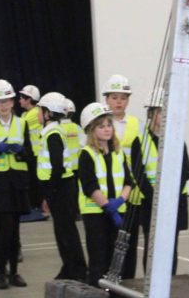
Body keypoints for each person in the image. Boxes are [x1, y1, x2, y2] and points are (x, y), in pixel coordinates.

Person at [0, 79, 32, 289]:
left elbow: (30, 154)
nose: (3, 105)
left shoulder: (22, 123)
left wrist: (21, 152)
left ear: (12, 101)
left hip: (16, 183)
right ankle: (0, 272)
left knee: (14, 231)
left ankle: (14, 273)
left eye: (6, 100)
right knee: (2, 231)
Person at [78, 102, 133, 287]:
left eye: (109, 125)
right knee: (98, 260)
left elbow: (128, 182)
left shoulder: (118, 153)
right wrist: (108, 207)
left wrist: (119, 202)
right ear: (91, 130)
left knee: (116, 261)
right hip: (96, 214)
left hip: (117, 212)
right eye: (101, 126)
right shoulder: (86, 155)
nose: (107, 129)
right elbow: (90, 187)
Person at [102, 74, 150, 279]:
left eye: (123, 97)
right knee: (108, 240)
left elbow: (146, 157)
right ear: (106, 99)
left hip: (131, 192)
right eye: (114, 97)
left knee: (129, 240)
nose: (119, 101)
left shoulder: (137, 125)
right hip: (108, 191)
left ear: (128, 100)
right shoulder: (101, 124)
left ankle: (128, 281)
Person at [37, 92, 87, 281]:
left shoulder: (53, 134)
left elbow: (56, 166)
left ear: (48, 113)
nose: (37, 114)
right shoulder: (52, 131)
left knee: (67, 231)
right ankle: (69, 267)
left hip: (60, 188)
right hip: (59, 187)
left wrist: (50, 189)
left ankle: (78, 269)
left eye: (40, 110)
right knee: (62, 230)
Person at [140, 87, 189, 274]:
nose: (165, 116)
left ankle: (171, 284)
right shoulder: (142, 139)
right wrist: (156, 197)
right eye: (161, 111)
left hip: (174, 202)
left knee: (171, 247)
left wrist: (170, 195)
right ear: (151, 113)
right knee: (152, 246)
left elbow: (186, 170)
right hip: (150, 203)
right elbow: (139, 175)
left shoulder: (177, 137)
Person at [19, 84, 43, 212]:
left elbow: (19, 126)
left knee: (35, 182)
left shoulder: (34, 113)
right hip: (31, 153)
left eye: (22, 97)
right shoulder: (25, 114)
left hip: (36, 153)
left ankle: (37, 205)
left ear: (29, 99)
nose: (20, 100)